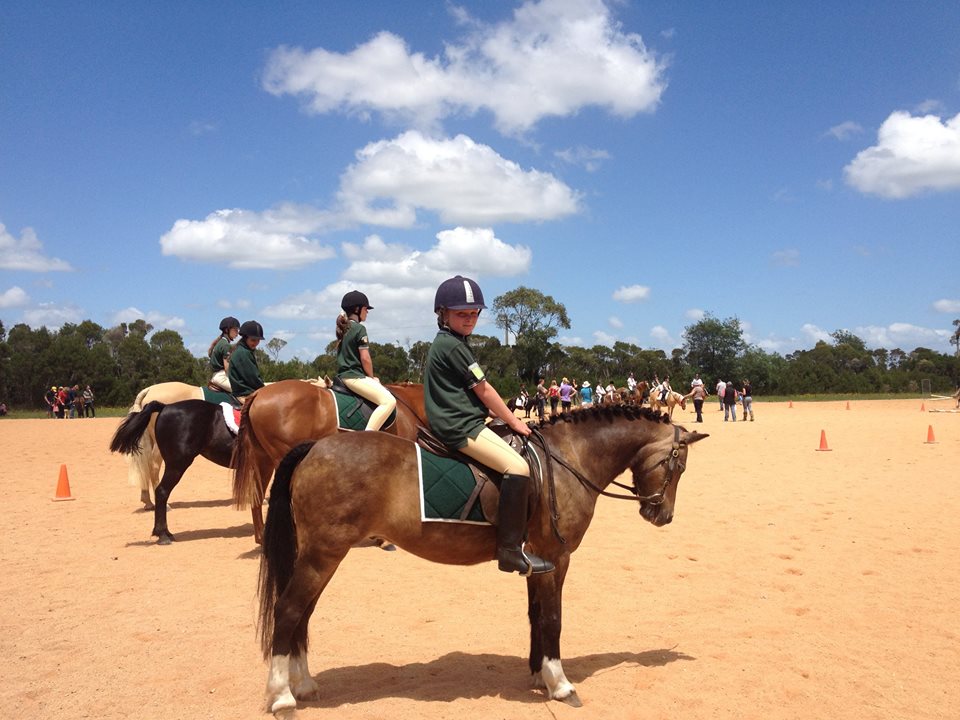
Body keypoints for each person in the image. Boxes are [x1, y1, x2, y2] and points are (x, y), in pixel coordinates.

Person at [424, 275, 553, 576]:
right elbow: (484, 390)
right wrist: (514, 421)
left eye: (473, 314)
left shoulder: (452, 342)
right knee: (518, 467)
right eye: (461, 314)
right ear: (442, 313)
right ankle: (509, 552)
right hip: (459, 425)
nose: (469, 320)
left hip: (460, 418)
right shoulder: (453, 347)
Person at [335, 290, 396, 432]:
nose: (367, 312)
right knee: (389, 401)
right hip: (354, 377)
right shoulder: (359, 329)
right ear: (357, 309)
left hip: (343, 376)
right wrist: (372, 377)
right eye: (365, 309)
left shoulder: (344, 328)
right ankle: (368, 435)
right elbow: (365, 358)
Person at [227, 321, 266, 401]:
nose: (256, 343)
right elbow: (253, 378)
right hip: (245, 393)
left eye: (258, 340)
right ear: (245, 338)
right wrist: (265, 390)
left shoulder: (244, 350)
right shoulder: (243, 353)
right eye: (253, 340)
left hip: (248, 391)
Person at [208, 316, 240, 392]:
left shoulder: (220, 342)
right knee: (243, 390)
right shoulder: (226, 345)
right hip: (221, 377)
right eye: (235, 330)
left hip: (217, 376)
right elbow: (227, 368)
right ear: (227, 330)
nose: (237, 333)